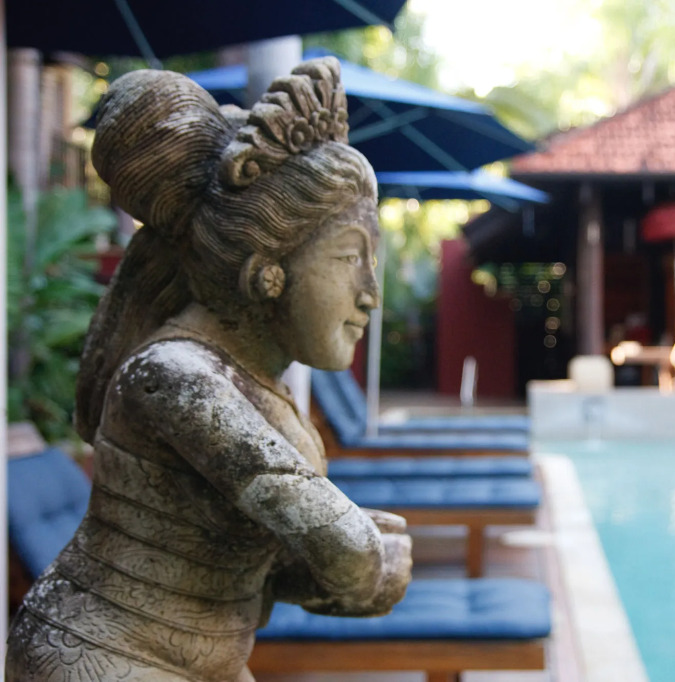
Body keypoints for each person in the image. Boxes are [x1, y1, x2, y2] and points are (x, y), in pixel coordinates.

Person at [6, 58, 411, 682]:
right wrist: (365, 558)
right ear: (266, 269)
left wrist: (361, 567)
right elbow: (347, 551)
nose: (370, 295)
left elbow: (252, 569)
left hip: (202, 664)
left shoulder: (257, 387)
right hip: (96, 658)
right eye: (349, 258)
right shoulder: (174, 376)